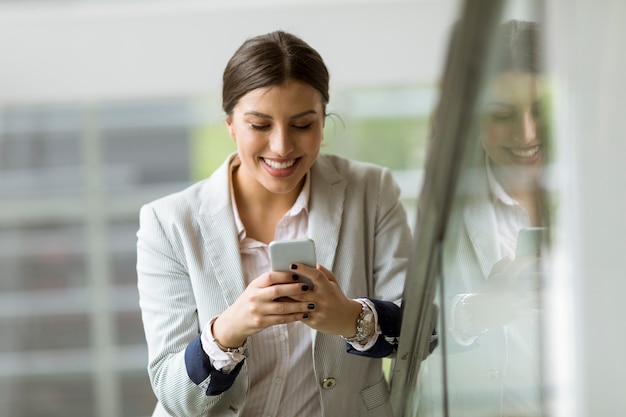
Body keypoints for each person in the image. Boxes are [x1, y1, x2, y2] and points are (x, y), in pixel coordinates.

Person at [136, 30, 412, 417]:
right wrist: (229, 330)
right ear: (231, 124)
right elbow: (175, 395)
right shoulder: (168, 224)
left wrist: (352, 318)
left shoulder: (372, 190)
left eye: (302, 125)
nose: (282, 146)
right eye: (260, 125)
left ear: (323, 121)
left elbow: (423, 333)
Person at [417, 20, 548, 417]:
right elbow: (409, 329)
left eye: (540, 111)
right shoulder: (442, 205)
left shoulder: (604, 197)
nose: (527, 134)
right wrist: (481, 310)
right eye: (502, 114)